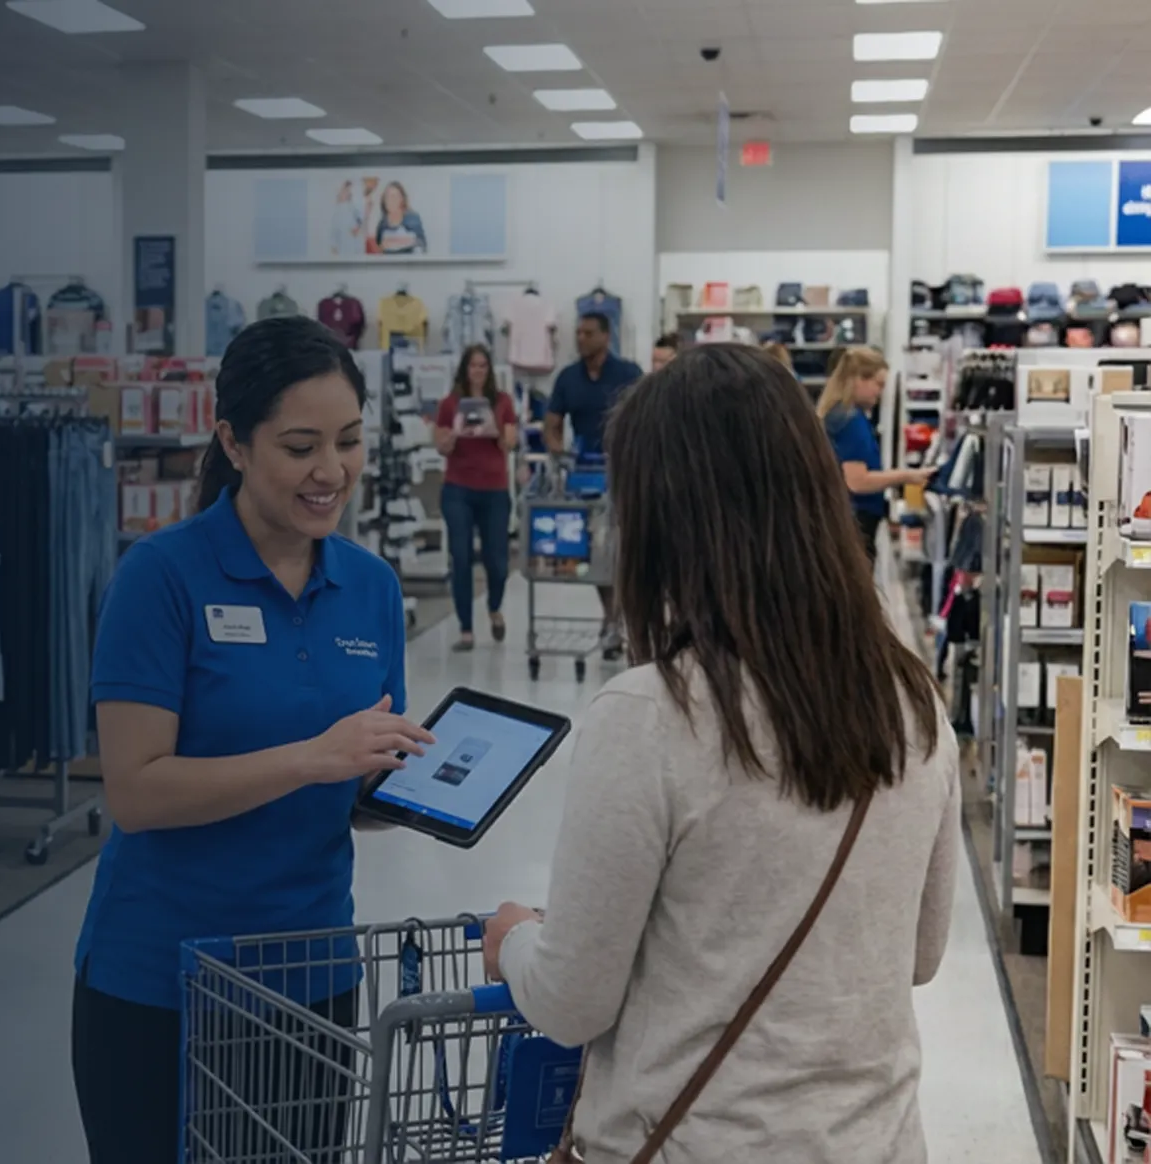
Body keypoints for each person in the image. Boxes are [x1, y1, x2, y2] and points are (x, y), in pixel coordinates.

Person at [482, 344, 959, 1164]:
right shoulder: (914, 704)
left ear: (666, 517)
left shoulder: (650, 714)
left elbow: (572, 1000)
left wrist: (514, 939)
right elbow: (919, 955)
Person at [70, 315, 433, 1164]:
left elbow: (351, 783)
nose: (331, 471)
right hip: (163, 981)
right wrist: (313, 758)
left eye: (348, 441)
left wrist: (415, 790)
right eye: (301, 446)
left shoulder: (370, 588)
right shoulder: (160, 578)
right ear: (232, 442)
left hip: (313, 981)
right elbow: (135, 790)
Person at [544, 312, 643, 658]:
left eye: (588, 333)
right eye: (578, 333)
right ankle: (612, 620)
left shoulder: (628, 374)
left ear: (606, 335)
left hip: (625, 475)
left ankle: (619, 621)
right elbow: (552, 423)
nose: (581, 338)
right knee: (596, 554)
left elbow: (645, 418)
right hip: (584, 475)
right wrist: (559, 451)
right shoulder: (568, 378)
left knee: (622, 553)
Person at [433, 343, 519, 648]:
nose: (478, 371)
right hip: (458, 489)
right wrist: (457, 431)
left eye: (483, 365)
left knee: (497, 561)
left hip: (494, 491)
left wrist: (491, 426)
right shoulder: (449, 404)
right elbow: (440, 446)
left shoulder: (503, 401)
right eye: (473, 365)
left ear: (489, 370)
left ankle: (494, 607)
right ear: (464, 369)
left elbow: (510, 442)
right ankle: (466, 628)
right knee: (461, 556)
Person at [816, 346, 931, 561]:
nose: (880, 392)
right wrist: (906, 476)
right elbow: (857, 481)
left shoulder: (841, 415)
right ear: (858, 379)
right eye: (878, 384)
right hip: (855, 520)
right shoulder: (849, 420)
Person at [373, 182, 427, 254]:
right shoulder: (382, 224)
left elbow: (422, 244)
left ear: (402, 199)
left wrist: (399, 242)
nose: (390, 200)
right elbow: (379, 248)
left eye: (394, 196)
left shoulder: (413, 219)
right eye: (387, 197)